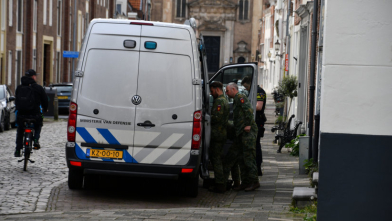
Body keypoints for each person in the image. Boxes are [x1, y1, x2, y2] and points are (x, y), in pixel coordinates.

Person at [225, 83, 260, 191]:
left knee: (248, 157)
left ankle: (254, 181)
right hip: (241, 132)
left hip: (247, 132)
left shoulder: (240, 97)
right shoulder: (236, 99)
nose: (226, 93)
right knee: (241, 158)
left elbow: (249, 110)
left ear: (233, 89)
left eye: (227, 91)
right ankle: (245, 182)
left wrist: (249, 124)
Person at [14, 69, 48, 157]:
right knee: (38, 125)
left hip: (22, 114)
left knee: (20, 129)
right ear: (33, 77)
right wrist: (45, 108)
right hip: (34, 114)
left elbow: (16, 100)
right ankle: (36, 140)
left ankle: (18, 149)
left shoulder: (19, 87)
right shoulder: (38, 88)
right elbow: (45, 100)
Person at [241, 76, 267, 176]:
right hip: (254, 121)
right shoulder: (253, 91)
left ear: (250, 84)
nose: (246, 89)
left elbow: (259, 107)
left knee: (256, 145)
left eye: (246, 87)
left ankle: (257, 168)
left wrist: (246, 107)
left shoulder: (259, 91)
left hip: (258, 121)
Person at [208, 81, 230, 193]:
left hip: (217, 134)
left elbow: (217, 118)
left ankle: (220, 184)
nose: (211, 94)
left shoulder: (220, 101)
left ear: (217, 89)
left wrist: (207, 117)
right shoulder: (224, 100)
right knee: (217, 158)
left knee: (216, 159)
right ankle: (221, 182)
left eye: (212, 91)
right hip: (220, 133)